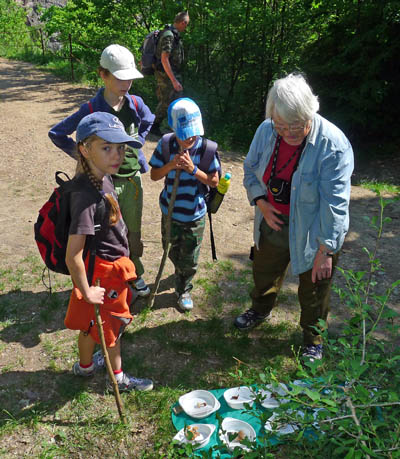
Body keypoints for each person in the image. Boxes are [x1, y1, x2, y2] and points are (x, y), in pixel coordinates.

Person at [234, 73, 354, 361]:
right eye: (281, 125)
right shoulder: (266, 131)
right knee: (263, 272)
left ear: (310, 112)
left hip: (315, 230)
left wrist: (325, 249)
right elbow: (250, 169)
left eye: (296, 126)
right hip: (273, 219)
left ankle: (313, 338)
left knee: (314, 287)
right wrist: (261, 202)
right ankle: (260, 309)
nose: (288, 132)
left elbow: (335, 205)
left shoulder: (333, 146)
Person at [49, 44, 155, 299]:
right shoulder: (90, 110)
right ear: (103, 74)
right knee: (106, 234)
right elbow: (57, 133)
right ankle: (102, 274)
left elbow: (149, 120)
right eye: (119, 77)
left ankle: (133, 272)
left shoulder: (136, 103)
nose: (126, 83)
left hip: (132, 181)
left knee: (132, 231)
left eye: (130, 76)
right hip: (105, 186)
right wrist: (85, 158)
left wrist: (137, 143)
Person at [65, 111, 153, 392]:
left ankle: (85, 367)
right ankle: (118, 379)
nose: (117, 155)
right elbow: (73, 254)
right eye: (107, 148)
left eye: (121, 148)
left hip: (108, 268)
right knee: (112, 328)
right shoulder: (85, 197)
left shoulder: (101, 176)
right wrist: (86, 291)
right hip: (104, 274)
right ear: (84, 149)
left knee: (92, 324)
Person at [149, 98, 220, 311]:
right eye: (184, 133)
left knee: (189, 257)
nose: (190, 137)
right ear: (173, 128)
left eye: (193, 132)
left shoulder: (207, 149)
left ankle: (184, 288)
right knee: (170, 248)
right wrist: (171, 165)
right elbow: (154, 175)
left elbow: (214, 180)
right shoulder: (165, 144)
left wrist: (193, 170)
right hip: (169, 211)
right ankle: (179, 270)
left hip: (194, 213)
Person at [151, 11, 190, 135]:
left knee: (174, 100)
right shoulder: (169, 35)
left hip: (170, 73)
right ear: (183, 22)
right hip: (166, 74)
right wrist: (174, 80)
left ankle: (172, 128)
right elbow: (164, 58)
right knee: (167, 101)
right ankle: (154, 125)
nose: (186, 27)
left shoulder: (173, 34)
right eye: (186, 24)